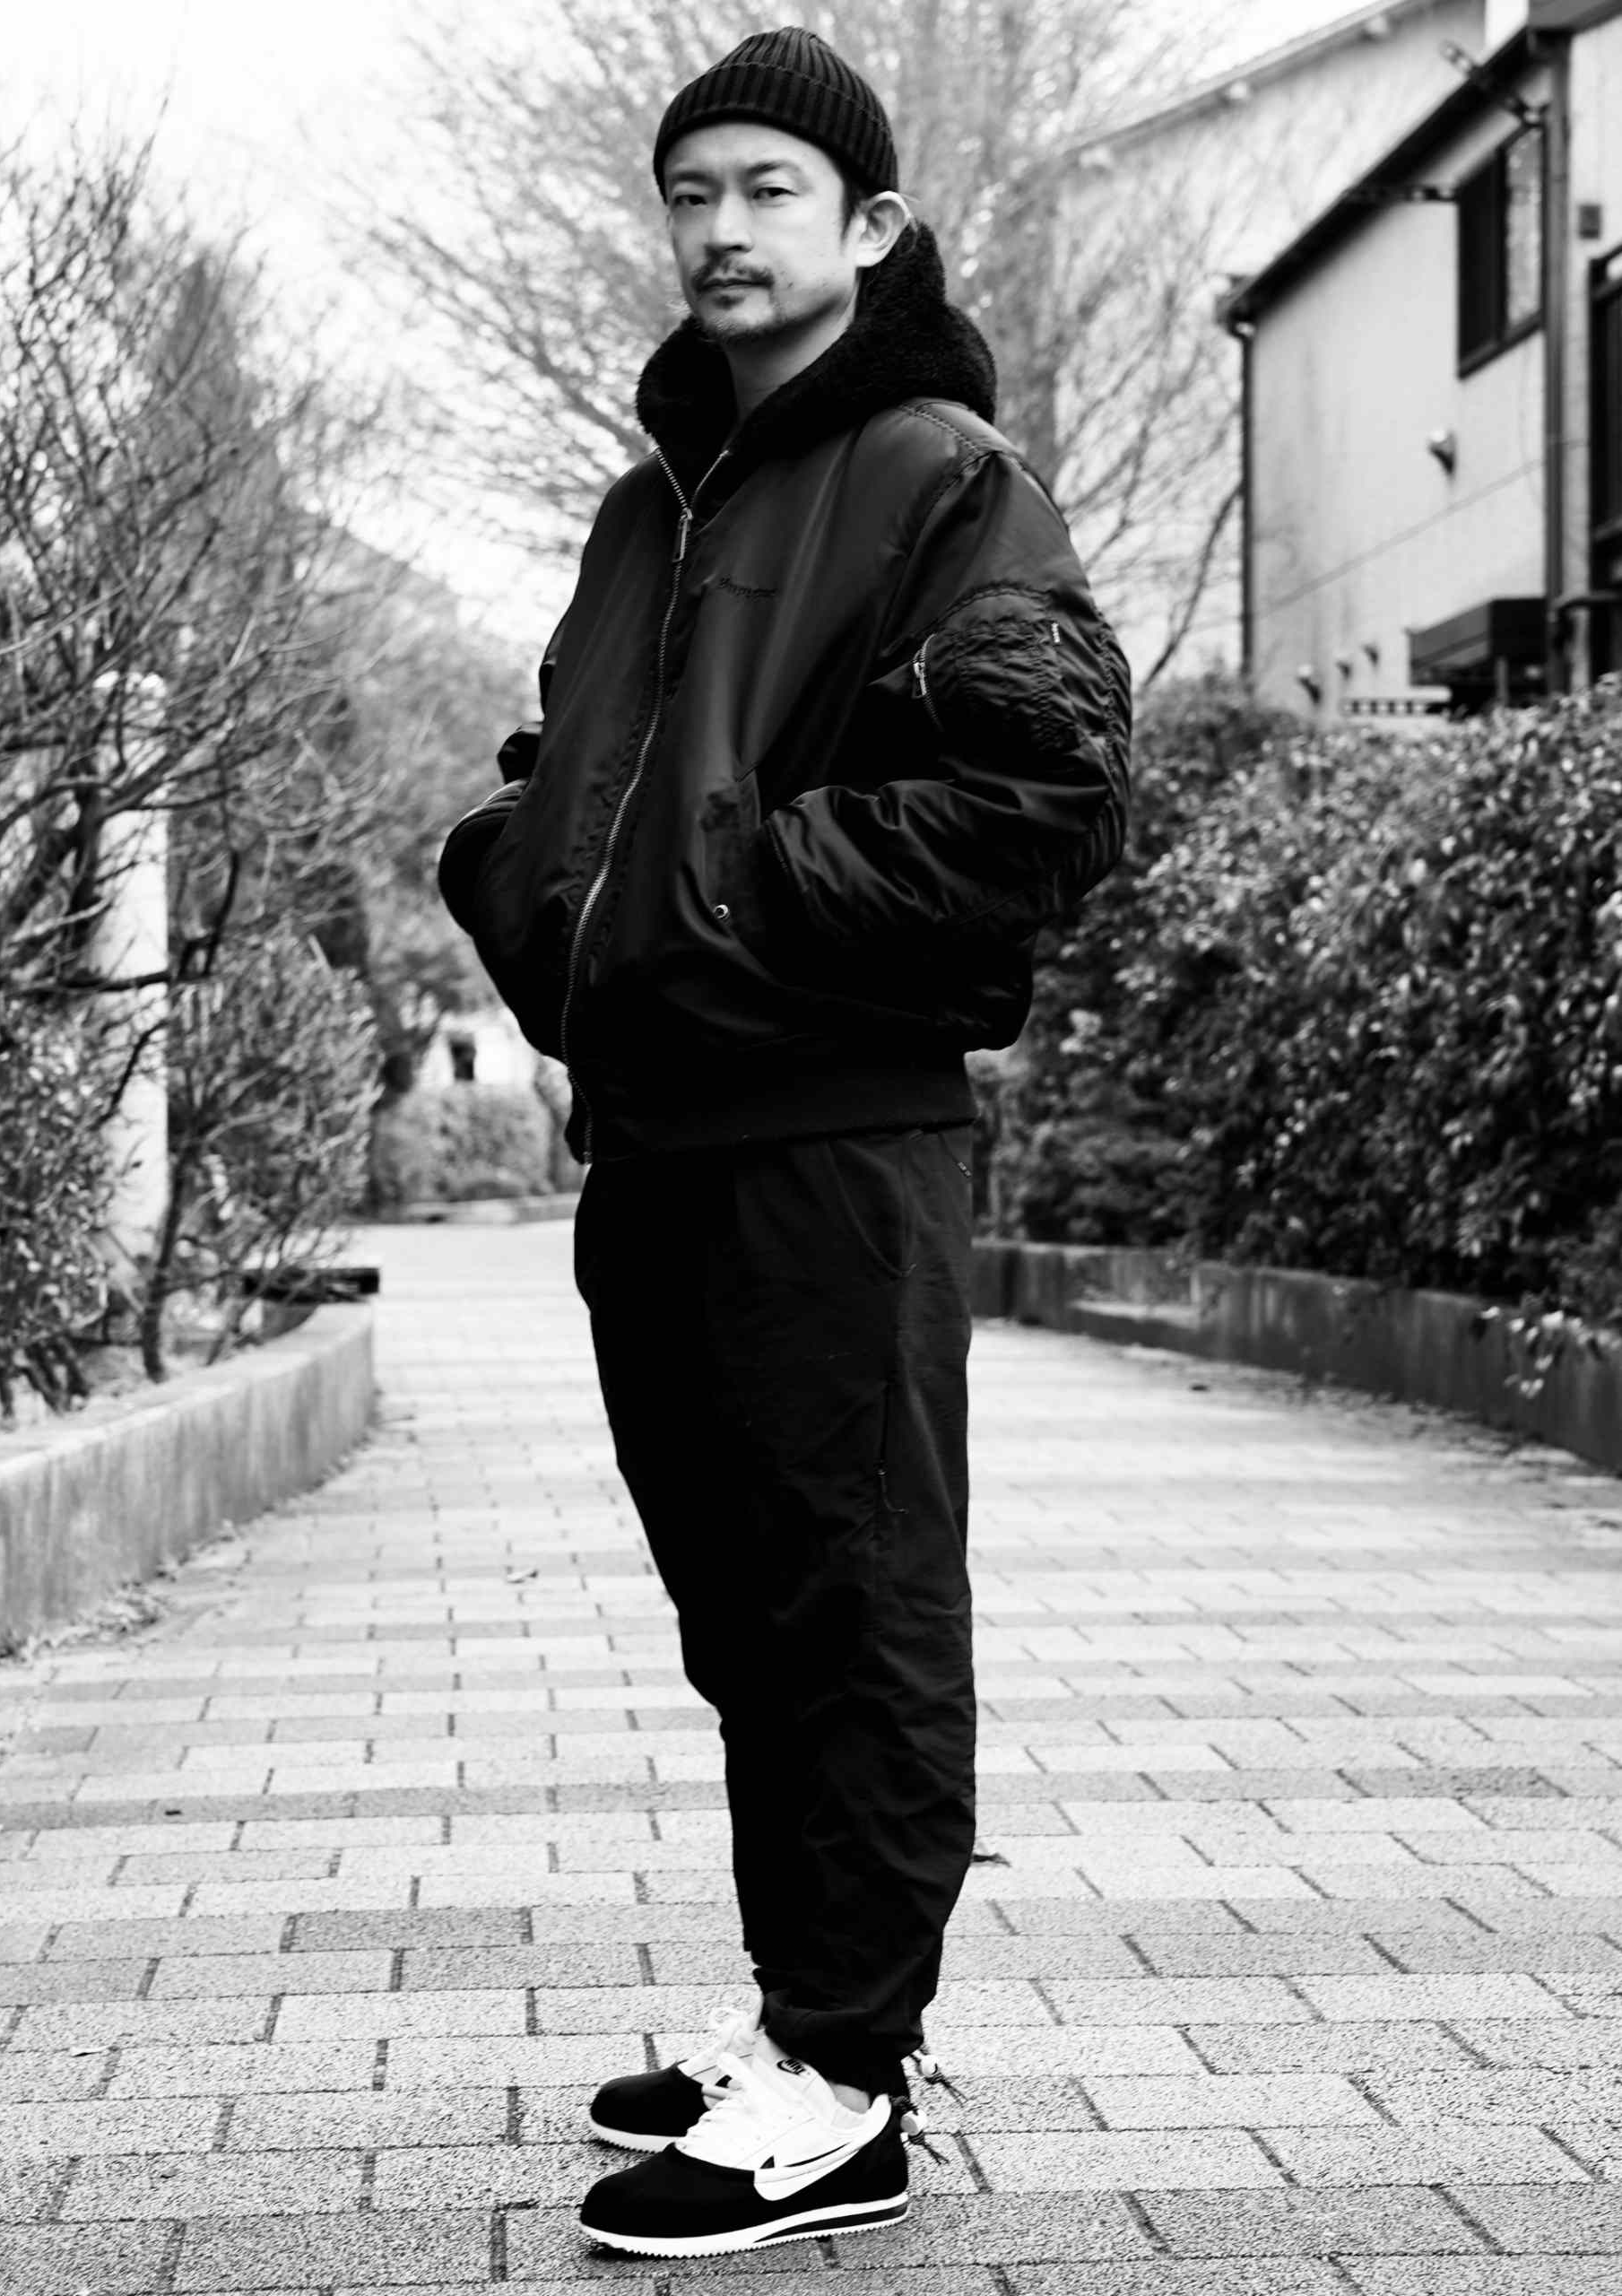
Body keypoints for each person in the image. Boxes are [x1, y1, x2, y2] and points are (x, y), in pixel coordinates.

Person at [438, 25, 1131, 2262]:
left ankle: (848, 2082)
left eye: (769, 190)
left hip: (833, 1134)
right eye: (693, 190)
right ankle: (802, 2017)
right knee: (748, 1611)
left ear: (869, 226)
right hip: (660, 1141)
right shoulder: (655, 504)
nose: (722, 229)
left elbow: (1038, 796)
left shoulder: (942, 475)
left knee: (852, 1596)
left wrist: (704, 903)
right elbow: (578, 770)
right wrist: (526, 888)